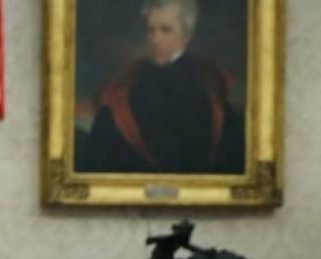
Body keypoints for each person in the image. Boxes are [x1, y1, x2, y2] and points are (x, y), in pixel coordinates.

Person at [78, 0, 244, 173]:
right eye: (151, 30)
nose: (155, 39)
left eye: (166, 30)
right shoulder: (130, 79)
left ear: (187, 36)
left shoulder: (207, 82)